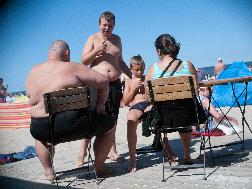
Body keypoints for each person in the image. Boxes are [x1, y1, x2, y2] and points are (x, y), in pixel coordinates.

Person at [26, 40, 115, 180]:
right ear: (67, 53)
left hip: (41, 128)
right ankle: (99, 166)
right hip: (74, 125)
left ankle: (49, 172)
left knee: (40, 139)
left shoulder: (33, 71)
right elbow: (104, 81)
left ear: (49, 54)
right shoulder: (73, 67)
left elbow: (30, 97)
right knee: (110, 127)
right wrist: (101, 104)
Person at [76, 11, 132, 167]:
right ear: (99, 24)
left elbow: (120, 61)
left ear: (114, 25)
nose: (107, 28)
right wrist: (96, 50)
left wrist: (132, 76)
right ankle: (82, 153)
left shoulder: (117, 40)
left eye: (110, 25)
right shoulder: (92, 38)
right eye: (104, 25)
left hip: (114, 84)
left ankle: (112, 151)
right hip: (97, 84)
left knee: (112, 118)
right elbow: (84, 60)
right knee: (92, 118)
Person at [145, 34, 200, 164]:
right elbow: (196, 92)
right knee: (184, 110)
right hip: (189, 116)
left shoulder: (153, 69)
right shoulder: (188, 65)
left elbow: (149, 97)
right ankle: (187, 155)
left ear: (158, 51)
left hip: (165, 120)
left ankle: (167, 149)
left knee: (156, 111)